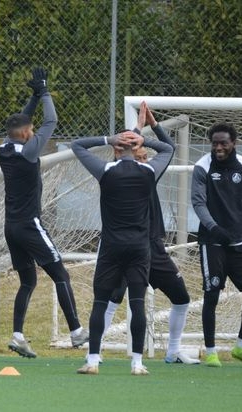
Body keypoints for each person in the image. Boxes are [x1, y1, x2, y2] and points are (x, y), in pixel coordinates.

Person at [0, 66, 88, 358]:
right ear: (26, 135)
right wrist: (46, 92)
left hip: (11, 227)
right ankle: (76, 332)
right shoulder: (28, 151)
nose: (35, 133)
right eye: (32, 132)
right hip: (29, 224)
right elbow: (53, 119)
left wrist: (34, 96)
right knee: (61, 274)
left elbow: (22, 122)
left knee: (28, 281)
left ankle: (18, 335)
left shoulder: (5, 147)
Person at [100, 102, 199, 364]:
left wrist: (151, 126)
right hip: (128, 245)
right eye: (139, 155)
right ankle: (95, 353)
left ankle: (173, 350)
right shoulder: (118, 174)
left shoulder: (148, 173)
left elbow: (169, 149)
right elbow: (131, 149)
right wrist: (139, 131)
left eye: (145, 156)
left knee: (181, 297)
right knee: (113, 297)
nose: (144, 160)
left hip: (152, 248)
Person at [72, 130, 173, 375]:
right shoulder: (149, 171)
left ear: (116, 149)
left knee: (100, 302)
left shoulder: (106, 171)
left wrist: (107, 139)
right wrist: (144, 140)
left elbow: (78, 145)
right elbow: (168, 149)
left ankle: (93, 360)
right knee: (137, 303)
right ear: (136, 149)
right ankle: (137, 363)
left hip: (111, 247)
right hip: (139, 247)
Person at [191, 122, 242, 368]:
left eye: (223, 142)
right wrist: (214, 228)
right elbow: (198, 203)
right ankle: (211, 352)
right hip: (212, 242)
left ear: (234, 142)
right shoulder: (202, 166)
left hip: (240, 242)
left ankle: (241, 347)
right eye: (214, 143)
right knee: (212, 294)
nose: (218, 147)